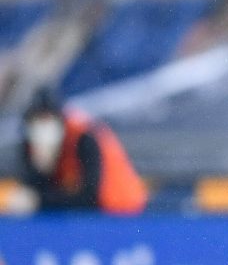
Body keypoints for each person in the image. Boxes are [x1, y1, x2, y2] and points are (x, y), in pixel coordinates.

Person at [8, 88, 148, 215]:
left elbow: (89, 196)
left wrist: (39, 200)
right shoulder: (29, 145)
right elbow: (36, 191)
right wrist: (42, 169)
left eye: (48, 119)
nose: (43, 128)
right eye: (37, 121)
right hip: (77, 215)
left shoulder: (84, 139)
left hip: (119, 211)